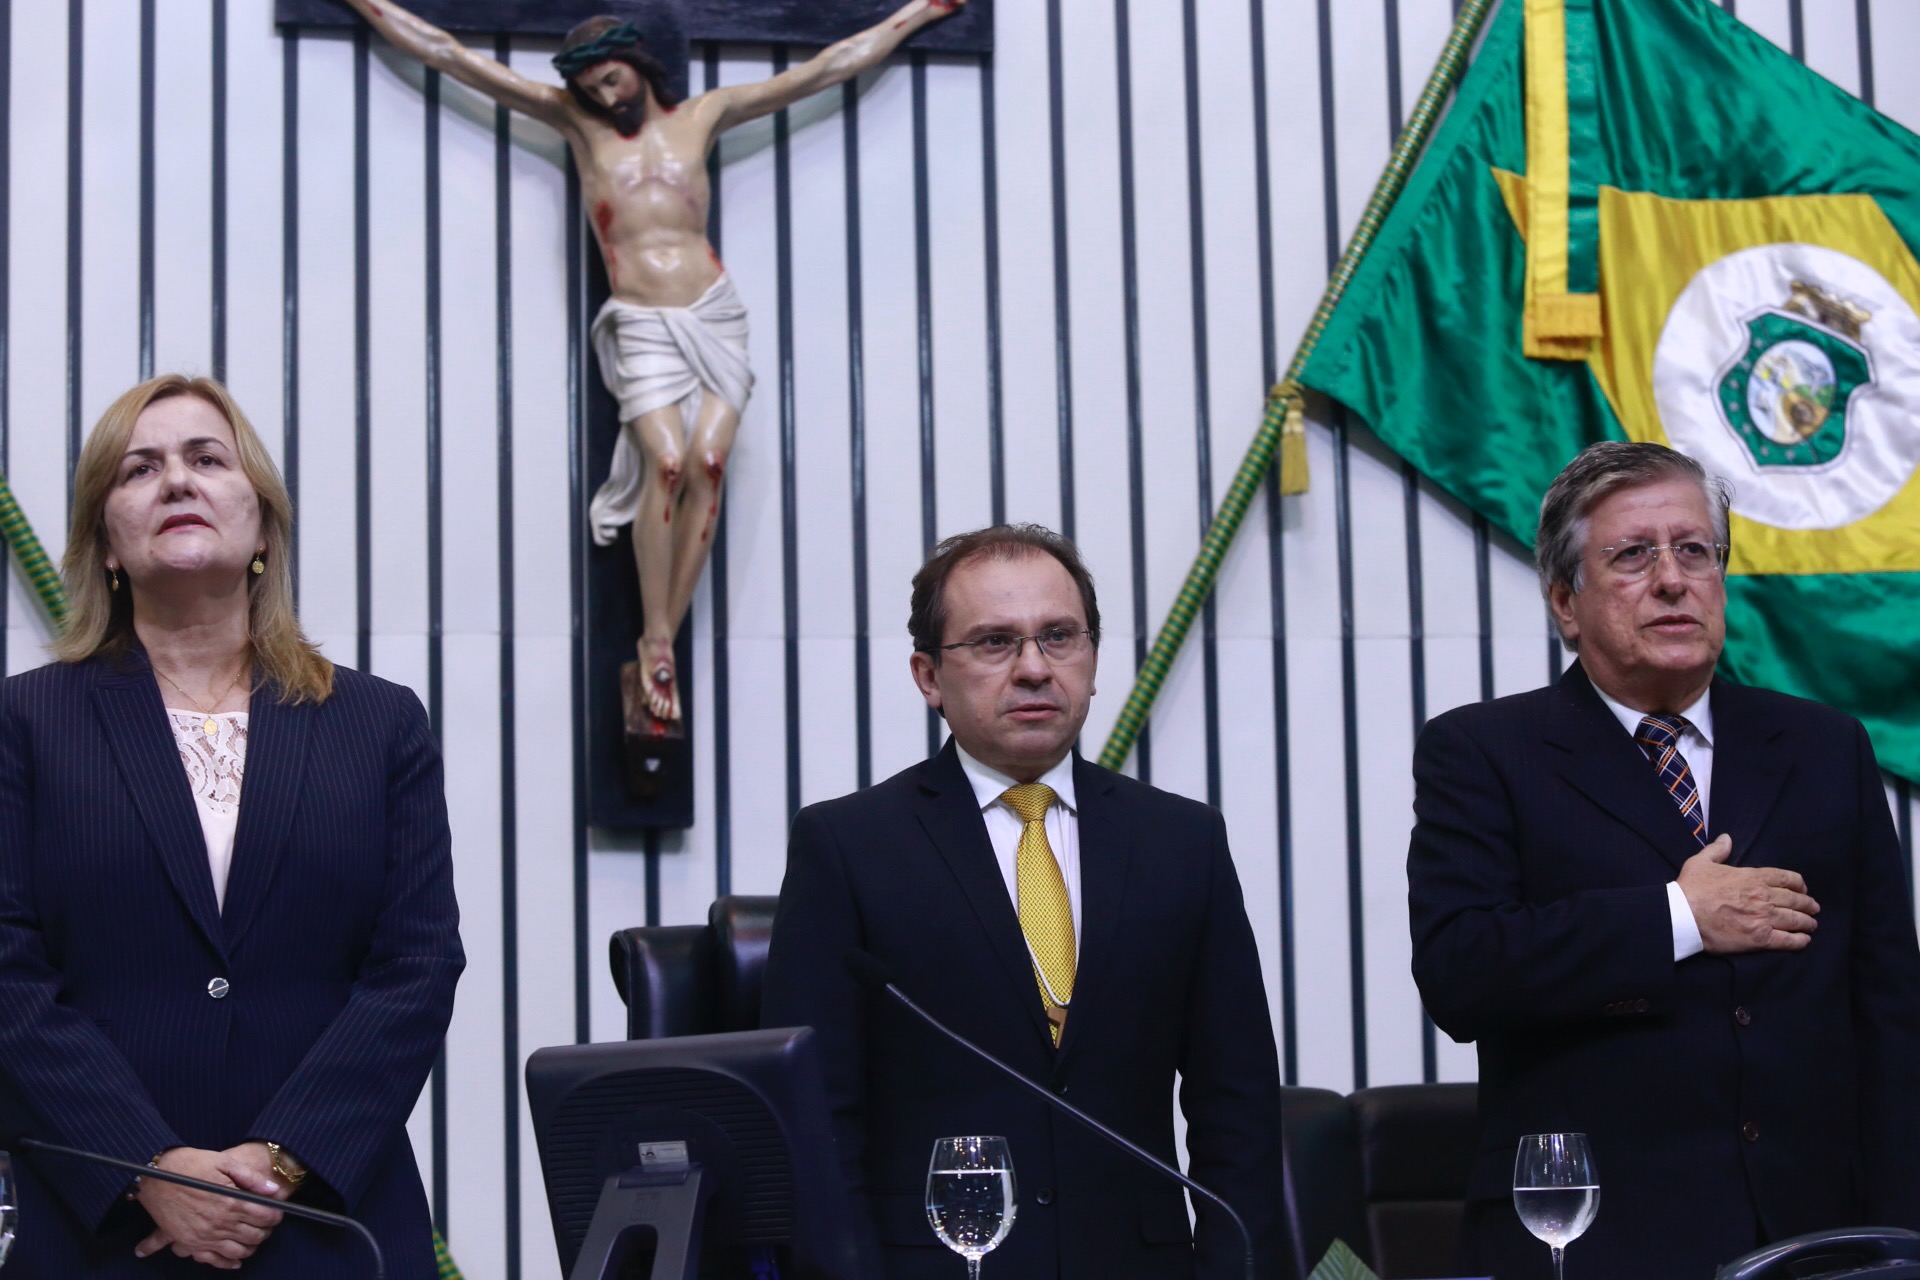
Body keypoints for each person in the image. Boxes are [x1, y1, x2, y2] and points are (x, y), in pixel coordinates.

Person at [341, 0, 964, 727]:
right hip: (639, 320)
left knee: (708, 463)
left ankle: (664, 628)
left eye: (612, 81)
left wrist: (917, 12)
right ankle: (656, 634)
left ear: (637, 64)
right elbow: (448, 53)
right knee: (665, 463)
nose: (607, 98)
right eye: (592, 89)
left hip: (714, 313)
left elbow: (825, 69)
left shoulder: (704, 115)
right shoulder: (577, 125)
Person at [1408, 441, 1920, 1280]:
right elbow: (1462, 971)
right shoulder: (1485, 750)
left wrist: (1900, 1239)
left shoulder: (1825, 747)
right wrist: (1680, 917)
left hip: (1815, 1235)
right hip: (1593, 1234)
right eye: (1633, 556)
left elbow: (1890, 1017)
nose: (1673, 580)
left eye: (1694, 551)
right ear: (1565, 601)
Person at [0, 375, 464, 1278]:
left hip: (326, 1224)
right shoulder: (25, 724)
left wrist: (279, 1162)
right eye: (139, 469)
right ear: (107, 544)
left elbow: (416, 964)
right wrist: (147, 1165)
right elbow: (7, 972)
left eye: (207, 459)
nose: (177, 480)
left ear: (263, 529)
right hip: (100, 1231)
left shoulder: (378, 724)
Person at [761, 523, 1284, 1279]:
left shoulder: (1182, 841)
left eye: (1059, 637)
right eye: (995, 643)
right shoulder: (849, 847)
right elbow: (815, 1119)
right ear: (929, 676)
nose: (1035, 668)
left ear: (1093, 659)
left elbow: (1238, 1106)